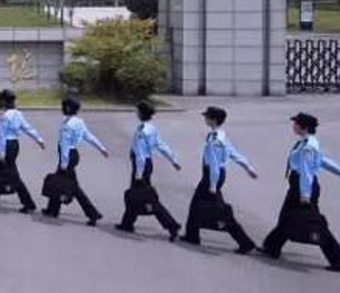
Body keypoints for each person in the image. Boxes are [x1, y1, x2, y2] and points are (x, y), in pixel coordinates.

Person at [260, 113, 340, 271]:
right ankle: (272, 247)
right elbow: (322, 161)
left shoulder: (308, 146)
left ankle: (338, 259)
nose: (294, 126)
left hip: (303, 187)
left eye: (296, 123)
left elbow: (306, 171)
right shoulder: (307, 142)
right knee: (286, 217)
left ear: (304, 127)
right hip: (299, 185)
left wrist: (305, 195)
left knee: (315, 223)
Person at [179, 106, 257, 253]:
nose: (205, 118)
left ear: (214, 119)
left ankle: (245, 242)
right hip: (215, 175)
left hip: (211, 176)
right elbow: (233, 153)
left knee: (219, 211)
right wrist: (248, 167)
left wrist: (213, 185)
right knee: (197, 205)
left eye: (207, 116)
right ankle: (192, 235)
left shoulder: (215, 139)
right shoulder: (220, 135)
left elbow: (214, 163)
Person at [115, 101, 182, 241]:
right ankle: (127, 223)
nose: (136, 112)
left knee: (147, 198)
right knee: (135, 195)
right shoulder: (151, 128)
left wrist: (139, 174)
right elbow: (161, 145)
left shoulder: (142, 131)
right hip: (147, 164)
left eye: (137, 110)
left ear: (141, 113)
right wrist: (173, 160)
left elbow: (140, 154)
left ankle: (172, 226)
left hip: (141, 166)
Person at [42, 98, 109, 226]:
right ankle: (52, 209)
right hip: (73, 155)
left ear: (68, 108)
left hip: (67, 156)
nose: (62, 108)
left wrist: (63, 163)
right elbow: (88, 136)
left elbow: (65, 145)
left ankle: (93, 214)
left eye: (64, 106)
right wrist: (101, 148)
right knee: (59, 182)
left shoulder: (67, 125)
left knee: (73, 187)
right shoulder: (79, 122)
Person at [0, 89, 45, 213]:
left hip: (7, 145)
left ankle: (28, 203)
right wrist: (39, 139)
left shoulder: (4, 117)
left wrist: (2, 153)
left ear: (4, 102)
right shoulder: (18, 114)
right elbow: (27, 128)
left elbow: (1, 136)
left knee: (13, 176)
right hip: (15, 145)